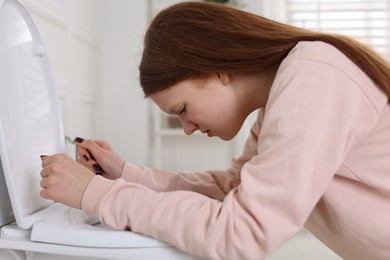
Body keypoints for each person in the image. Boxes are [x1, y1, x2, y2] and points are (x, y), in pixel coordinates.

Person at [39, 2, 390, 259]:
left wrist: (96, 194)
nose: (188, 129)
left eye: (183, 110)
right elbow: (232, 189)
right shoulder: (281, 100)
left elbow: (241, 233)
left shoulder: (315, 77)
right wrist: (127, 174)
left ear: (218, 70)